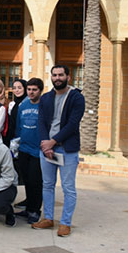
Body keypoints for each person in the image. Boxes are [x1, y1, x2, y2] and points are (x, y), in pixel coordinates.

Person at [32, 65, 85, 237]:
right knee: (47, 185)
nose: (57, 78)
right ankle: (48, 218)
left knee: (68, 187)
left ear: (68, 77)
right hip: (47, 149)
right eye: (54, 75)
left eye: (61, 75)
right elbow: (41, 122)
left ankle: (65, 223)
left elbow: (72, 124)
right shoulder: (46, 98)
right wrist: (45, 144)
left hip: (67, 150)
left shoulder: (76, 97)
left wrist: (52, 142)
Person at [14, 77, 43, 224]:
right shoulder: (23, 105)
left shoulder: (44, 106)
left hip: (37, 151)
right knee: (26, 180)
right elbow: (19, 126)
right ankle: (28, 208)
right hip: (23, 148)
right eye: (29, 89)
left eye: (34, 90)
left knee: (35, 181)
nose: (31, 92)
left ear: (40, 91)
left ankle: (35, 210)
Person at [5, 79, 27, 148]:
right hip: (13, 137)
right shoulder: (12, 104)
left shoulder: (28, 103)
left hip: (24, 136)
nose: (16, 90)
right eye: (14, 88)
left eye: (19, 88)